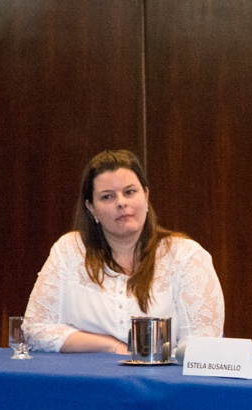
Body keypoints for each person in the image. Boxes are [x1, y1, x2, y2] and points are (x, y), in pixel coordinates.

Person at [24, 149, 225, 353]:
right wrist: (112, 346)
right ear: (91, 208)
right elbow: (34, 330)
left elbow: (203, 347)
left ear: (146, 196)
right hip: (85, 381)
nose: (121, 203)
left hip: (162, 383)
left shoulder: (186, 256)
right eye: (107, 197)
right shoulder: (69, 250)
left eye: (129, 192)